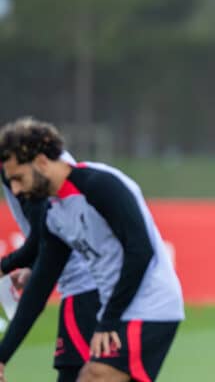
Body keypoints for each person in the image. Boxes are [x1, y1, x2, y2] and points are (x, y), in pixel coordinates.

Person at [0, 117, 185, 382]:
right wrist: (2, 356)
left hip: (149, 306)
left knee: (94, 376)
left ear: (41, 162)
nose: (15, 190)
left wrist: (109, 320)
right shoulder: (54, 212)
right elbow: (41, 284)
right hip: (119, 311)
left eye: (18, 178)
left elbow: (141, 251)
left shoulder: (99, 185)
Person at [0, 151, 100, 382]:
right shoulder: (39, 164)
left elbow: (40, 241)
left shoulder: (24, 171)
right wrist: (34, 268)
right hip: (95, 286)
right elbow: (49, 243)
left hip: (86, 288)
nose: (15, 190)